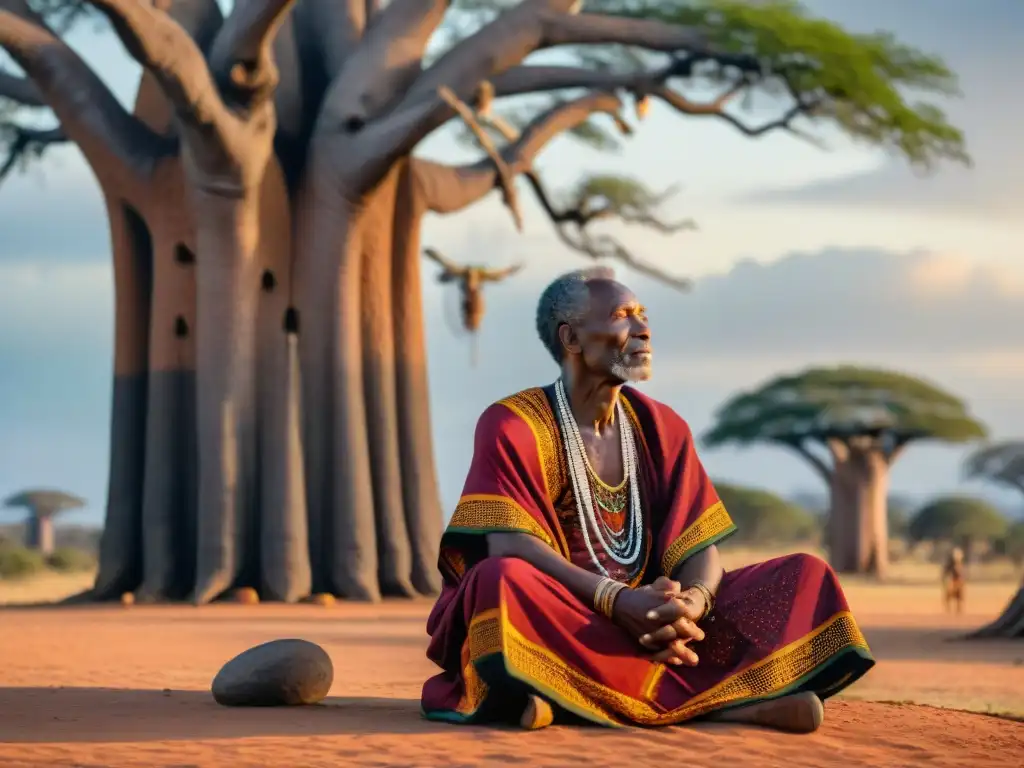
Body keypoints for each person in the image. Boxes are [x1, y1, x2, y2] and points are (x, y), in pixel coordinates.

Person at [421, 267, 875, 732]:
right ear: (572, 338)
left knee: (807, 575)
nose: (643, 328)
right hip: (572, 620)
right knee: (499, 580)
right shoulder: (513, 423)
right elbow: (510, 545)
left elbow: (700, 547)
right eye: (622, 315)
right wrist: (618, 602)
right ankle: (739, 705)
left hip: (663, 625)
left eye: (642, 314)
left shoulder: (664, 427)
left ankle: (564, 697)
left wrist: (690, 607)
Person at [942, 546, 966, 614]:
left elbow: (962, 573)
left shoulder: (960, 564)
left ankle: (958, 608)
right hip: (952, 580)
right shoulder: (950, 564)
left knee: (959, 594)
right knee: (948, 594)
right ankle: (948, 608)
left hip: (958, 581)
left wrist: (962, 579)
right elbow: (945, 571)